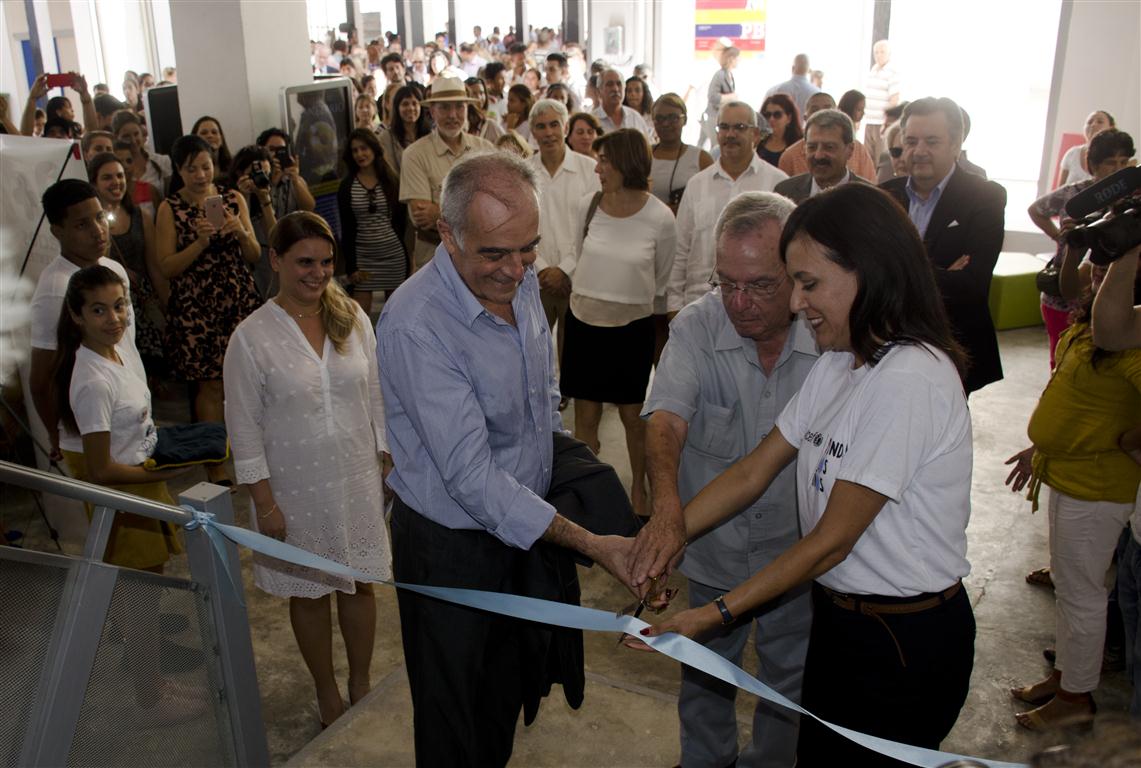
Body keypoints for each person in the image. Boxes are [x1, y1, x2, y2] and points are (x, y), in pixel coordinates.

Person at [633, 183, 977, 767]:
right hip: (843, 621)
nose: (796, 304)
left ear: (869, 272)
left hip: (901, 638)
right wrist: (662, 537)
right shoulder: (841, 363)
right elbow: (751, 472)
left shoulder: (910, 377)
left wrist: (713, 615)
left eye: (808, 284)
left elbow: (830, 540)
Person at [377, 151, 638, 766]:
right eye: (495, 254)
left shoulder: (516, 280)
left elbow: (538, 401)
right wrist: (591, 542)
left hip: (521, 529)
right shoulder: (417, 324)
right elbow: (471, 478)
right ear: (446, 234)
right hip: (450, 546)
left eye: (529, 249)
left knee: (505, 687)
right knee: (451, 711)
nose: (517, 271)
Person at [640, 192, 815, 768]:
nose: (739, 302)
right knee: (707, 674)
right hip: (714, 551)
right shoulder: (695, 326)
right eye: (726, 283)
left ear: (797, 270)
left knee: (791, 677)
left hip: (798, 553)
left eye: (761, 285)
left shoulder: (830, 339)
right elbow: (666, 420)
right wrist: (667, 513)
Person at [224, 211, 392, 729]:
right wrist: (264, 502)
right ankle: (326, 691)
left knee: (359, 584)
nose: (317, 274)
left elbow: (378, 396)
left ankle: (361, 680)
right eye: (303, 262)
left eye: (325, 262)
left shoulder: (352, 318)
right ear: (275, 260)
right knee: (310, 593)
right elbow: (244, 426)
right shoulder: (251, 338)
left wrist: (386, 460)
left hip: (356, 477)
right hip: (294, 488)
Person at [51, 265, 204, 723]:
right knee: (137, 603)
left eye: (119, 306)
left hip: (139, 479)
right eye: (98, 310)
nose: (113, 317)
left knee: (147, 595)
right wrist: (167, 470)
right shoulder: (93, 378)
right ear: (77, 316)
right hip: (123, 494)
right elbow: (99, 469)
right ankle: (148, 697)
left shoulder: (117, 354)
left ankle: (155, 680)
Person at [1005, 291, 1141, 729]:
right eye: (1100, 269)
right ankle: (1066, 676)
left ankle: (1075, 698)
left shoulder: (1130, 343)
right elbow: (1075, 401)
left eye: (1115, 271)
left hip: (1099, 486)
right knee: (1069, 588)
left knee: (1082, 596)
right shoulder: (1094, 329)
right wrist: (1042, 445)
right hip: (1070, 475)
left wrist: (1132, 441)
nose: (1099, 275)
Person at [562, 129, 676, 517]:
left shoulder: (660, 217)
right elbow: (579, 256)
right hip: (583, 324)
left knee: (634, 418)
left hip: (632, 329)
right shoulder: (588, 205)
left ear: (626, 163)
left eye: (605, 161)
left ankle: (639, 493)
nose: (597, 168)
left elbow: (662, 280)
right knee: (585, 419)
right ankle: (586, 498)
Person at [881, 97, 1007, 396]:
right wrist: (938, 272)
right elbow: (865, 272)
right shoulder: (885, 196)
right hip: (886, 344)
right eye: (910, 141)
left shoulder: (985, 198)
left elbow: (972, 284)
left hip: (952, 349)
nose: (919, 151)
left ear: (955, 144)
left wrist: (897, 273)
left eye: (932, 141)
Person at [156, 135, 261, 483]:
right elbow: (167, 266)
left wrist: (241, 232)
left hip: (236, 299)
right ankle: (215, 460)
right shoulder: (169, 208)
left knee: (249, 379)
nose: (201, 175)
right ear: (179, 171)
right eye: (191, 169)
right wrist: (200, 243)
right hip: (197, 308)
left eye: (206, 166)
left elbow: (255, 255)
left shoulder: (232, 199)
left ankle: (255, 451)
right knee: (211, 386)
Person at [29, 179, 136, 463]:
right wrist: (56, 436)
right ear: (57, 231)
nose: (98, 230)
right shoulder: (56, 289)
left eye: (100, 217)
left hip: (129, 419)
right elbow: (41, 379)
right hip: (88, 433)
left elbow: (125, 348)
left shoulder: (112, 270)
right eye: (81, 225)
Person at [1028, 129, 1135, 368]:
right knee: (1063, 363)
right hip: (1067, 299)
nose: (1117, 169)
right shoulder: (1075, 195)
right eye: (1110, 163)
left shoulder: (1133, 201)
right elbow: (1036, 210)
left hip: (1112, 305)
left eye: (1123, 162)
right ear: (1093, 165)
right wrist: (1060, 238)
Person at [668, 102, 787, 314]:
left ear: (756, 135)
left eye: (739, 127)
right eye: (724, 127)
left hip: (759, 309)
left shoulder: (777, 184)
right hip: (699, 305)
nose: (730, 134)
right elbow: (680, 250)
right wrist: (674, 306)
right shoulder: (697, 184)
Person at [528, 98, 600, 368]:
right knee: (536, 351)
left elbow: (594, 226)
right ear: (532, 132)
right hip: (536, 278)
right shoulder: (524, 172)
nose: (548, 133)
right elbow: (521, 228)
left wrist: (566, 269)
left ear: (566, 127)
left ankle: (569, 398)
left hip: (579, 277)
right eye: (541, 126)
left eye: (554, 125)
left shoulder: (589, 170)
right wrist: (544, 269)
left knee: (577, 356)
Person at [398, 75, 495, 270]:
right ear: (432, 111)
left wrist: (439, 212)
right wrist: (477, 213)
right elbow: (422, 217)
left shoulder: (485, 149)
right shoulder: (415, 154)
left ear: (467, 110)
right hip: (434, 258)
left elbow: (495, 206)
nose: (453, 115)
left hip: (480, 259)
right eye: (444, 107)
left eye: (459, 107)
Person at [88, 152, 167, 374]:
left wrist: (166, 305)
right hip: (111, 306)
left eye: (120, 176)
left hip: (143, 303)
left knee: (152, 371)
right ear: (94, 182)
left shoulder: (140, 216)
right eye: (107, 177)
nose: (116, 182)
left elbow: (154, 266)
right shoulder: (92, 224)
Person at [337, 128, 408, 313]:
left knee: (396, 313)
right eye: (355, 150)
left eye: (364, 148)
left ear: (374, 149)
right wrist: (351, 266)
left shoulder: (391, 180)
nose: (360, 154)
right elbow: (347, 228)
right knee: (359, 319)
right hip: (363, 257)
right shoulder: (347, 186)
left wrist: (410, 258)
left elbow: (402, 223)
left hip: (393, 255)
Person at [774, 109, 872, 203]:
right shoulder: (784, 192)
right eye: (812, 147)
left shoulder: (870, 197)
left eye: (829, 147)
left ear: (850, 150)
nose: (818, 156)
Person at [777, 92, 878, 182]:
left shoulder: (859, 150)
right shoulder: (790, 156)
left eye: (829, 147)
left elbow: (870, 185)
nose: (819, 155)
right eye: (815, 109)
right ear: (805, 117)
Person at [229, 144, 280, 299]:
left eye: (265, 173)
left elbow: (275, 238)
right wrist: (244, 197)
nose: (260, 178)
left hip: (268, 272)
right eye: (256, 173)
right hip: (242, 273)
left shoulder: (269, 194)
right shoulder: (230, 198)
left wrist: (264, 200)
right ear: (240, 173)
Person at [650, 94, 713, 214]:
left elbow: (710, 202)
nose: (665, 124)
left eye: (673, 118)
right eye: (659, 118)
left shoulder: (701, 159)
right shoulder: (642, 155)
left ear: (685, 120)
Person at [255, 128, 318, 219]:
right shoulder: (257, 180)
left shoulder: (294, 179)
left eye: (281, 150)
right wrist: (272, 184)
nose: (276, 154)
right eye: (271, 149)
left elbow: (309, 208)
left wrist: (295, 180)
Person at [112, 109, 173, 198]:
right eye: (126, 136)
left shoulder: (161, 161)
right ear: (116, 138)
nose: (133, 141)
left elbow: (169, 196)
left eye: (136, 134)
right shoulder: (114, 167)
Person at [378, 84, 432, 178]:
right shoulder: (386, 138)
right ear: (397, 108)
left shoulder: (431, 134)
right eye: (405, 104)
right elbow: (389, 173)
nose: (411, 108)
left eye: (415, 103)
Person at [863, 40, 901, 164]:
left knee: (881, 158)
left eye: (882, 52)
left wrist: (886, 122)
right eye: (876, 52)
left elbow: (894, 100)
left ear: (889, 54)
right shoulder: (873, 70)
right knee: (868, 158)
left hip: (881, 123)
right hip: (869, 121)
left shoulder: (892, 72)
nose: (878, 55)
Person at [1057, 110, 1115, 187]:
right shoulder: (1072, 153)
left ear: (1111, 128)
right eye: (1089, 122)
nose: (1093, 125)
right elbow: (1059, 191)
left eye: (1100, 122)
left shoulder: (1116, 157)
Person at [593, 68, 651, 138]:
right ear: (599, 91)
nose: (615, 89)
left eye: (619, 84)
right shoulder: (592, 120)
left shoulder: (635, 118)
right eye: (610, 84)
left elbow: (647, 146)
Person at [703, 46, 739, 151]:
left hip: (720, 116)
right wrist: (730, 97)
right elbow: (712, 97)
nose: (739, 61)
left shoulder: (729, 75)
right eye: (737, 58)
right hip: (714, 116)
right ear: (731, 58)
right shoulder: (719, 75)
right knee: (716, 147)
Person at [764, 54, 820, 119]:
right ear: (809, 70)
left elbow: (763, 116)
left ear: (792, 68)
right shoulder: (816, 92)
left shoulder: (775, 90)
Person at [756, 94, 801, 169]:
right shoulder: (756, 143)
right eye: (767, 115)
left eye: (777, 115)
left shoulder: (798, 145)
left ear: (789, 118)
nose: (771, 119)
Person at [191, 116, 234, 180]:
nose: (210, 136)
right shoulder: (188, 169)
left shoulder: (233, 166)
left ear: (221, 139)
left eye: (214, 132)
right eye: (204, 133)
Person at [465, 77, 505, 143]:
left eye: (481, 93)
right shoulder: (462, 123)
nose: (479, 97)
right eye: (474, 93)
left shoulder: (490, 125)